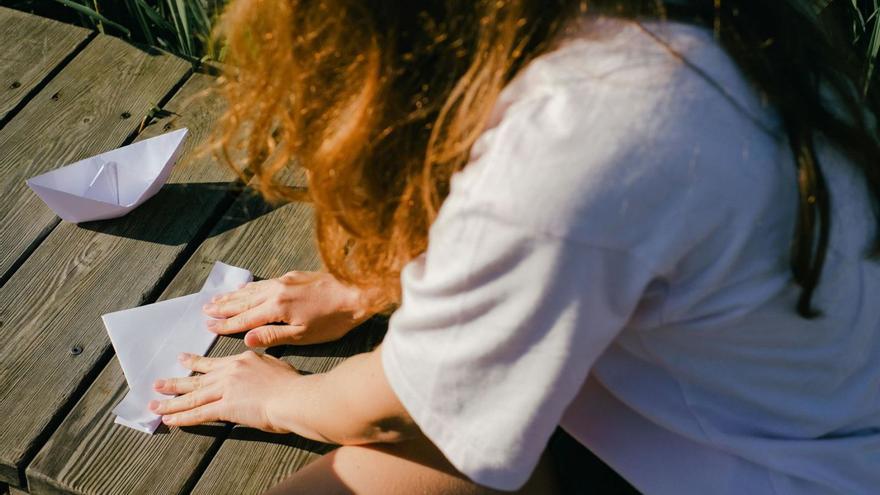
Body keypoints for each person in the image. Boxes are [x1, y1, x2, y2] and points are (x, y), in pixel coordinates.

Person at [151, 1, 880, 493]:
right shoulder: (658, 30)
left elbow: (403, 405)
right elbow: (611, 238)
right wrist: (373, 285)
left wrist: (281, 398)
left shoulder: (579, 131)